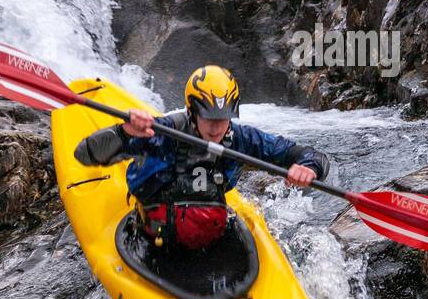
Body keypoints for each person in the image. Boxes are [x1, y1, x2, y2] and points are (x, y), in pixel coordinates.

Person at [74, 65, 331, 252]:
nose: (217, 127)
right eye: (209, 117)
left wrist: (309, 168)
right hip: (153, 242)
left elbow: (308, 155)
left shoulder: (242, 139)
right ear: (192, 110)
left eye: (224, 117)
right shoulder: (163, 133)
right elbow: (85, 154)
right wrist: (124, 131)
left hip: (206, 231)